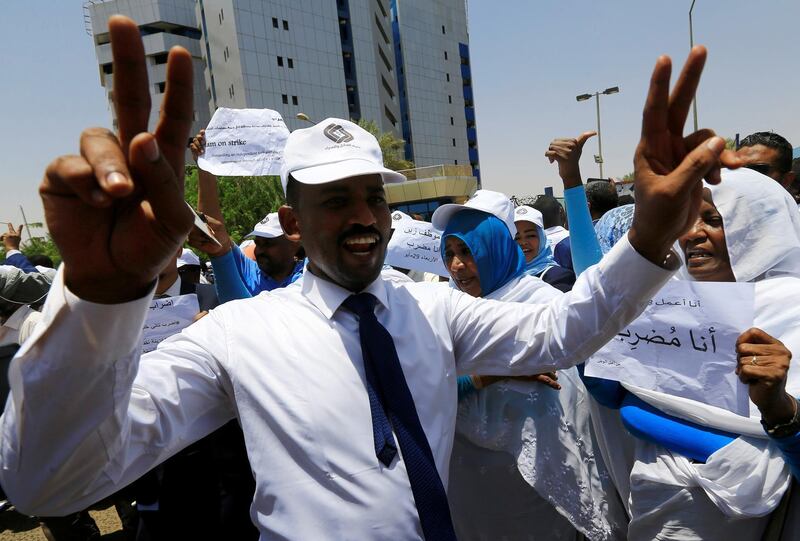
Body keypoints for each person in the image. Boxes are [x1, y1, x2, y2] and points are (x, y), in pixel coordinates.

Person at [0, 20, 736, 539]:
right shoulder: (240, 333)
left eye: (374, 195)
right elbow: (48, 485)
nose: (363, 216)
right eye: (336, 199)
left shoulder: (433, 309)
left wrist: (646, 233)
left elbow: (565, 328)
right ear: (292, 222)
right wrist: (99, 298)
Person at [569, 168, 800, 540]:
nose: (691, 234)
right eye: (687, 220)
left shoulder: (792, 308)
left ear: (757, 228)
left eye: (712, 220)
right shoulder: (662, 303)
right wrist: (594, 359)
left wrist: (780, 409)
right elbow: (616, 399)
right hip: (654, 499)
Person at [432, 193, 626, 540]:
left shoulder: (541, 305)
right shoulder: (444, 311)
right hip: (470, 491)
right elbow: (422, 386)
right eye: (449, 254)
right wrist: (491, 372)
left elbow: (572, 407)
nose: (457, 266)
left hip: (539, 490)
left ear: (494, 248)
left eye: (467, 251)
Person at [513, 204, 576, 291]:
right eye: (517, 238)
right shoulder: (506, 279)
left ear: (542, 238)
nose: (523, 242)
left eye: (530, 236)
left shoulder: (559, 278)